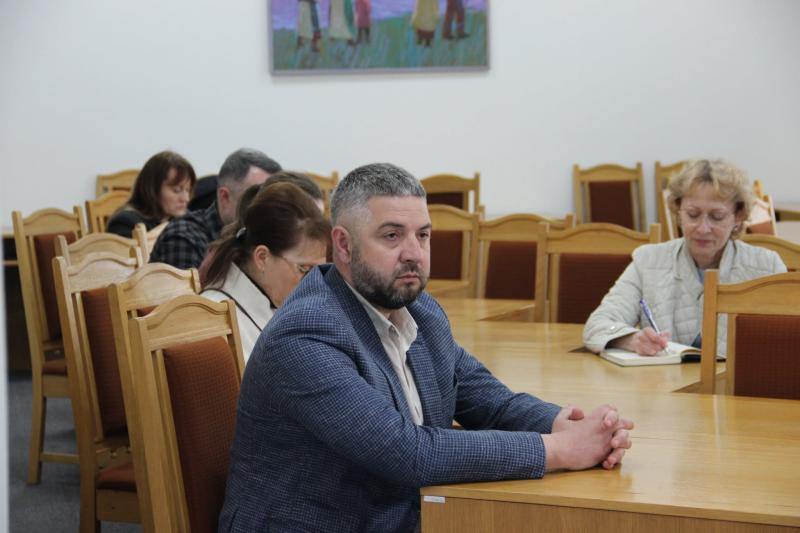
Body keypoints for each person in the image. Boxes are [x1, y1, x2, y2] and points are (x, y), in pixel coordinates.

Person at [219, 163, 633, 532]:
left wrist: (566, 423)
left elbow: (488, 400)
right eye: (392, 236)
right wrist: (560, 449)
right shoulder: (304, 334)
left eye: (423, 235)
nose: (414, 254)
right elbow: (408, 453)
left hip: (409, 516)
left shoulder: (421, 312)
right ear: (343, 245)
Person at [584, 159, 787, 357]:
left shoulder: (767, 267)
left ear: (738, 216)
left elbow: (787, 342)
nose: (703, 228)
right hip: (663, 379)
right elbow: (597, 325)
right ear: (678, 211)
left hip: (740, 380)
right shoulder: (648, 260)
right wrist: (632, 339)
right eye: (692, 214)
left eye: (716, 216)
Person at [201, 181, 329, 360]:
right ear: (262, 258)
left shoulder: (278, 300)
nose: (315, 283)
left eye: (320, 270)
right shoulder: (214, 319)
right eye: (305, 269)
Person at [149, 148, 281, 269]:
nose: (268, 209)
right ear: (225, 197)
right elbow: (188, 290)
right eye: (256, 198)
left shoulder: (261, 238)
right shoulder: (184, 237)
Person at [106, 151, 196, 238]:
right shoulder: (125, 223)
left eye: (188, 190)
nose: (186, 199)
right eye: (177, 190)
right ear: (153, 189)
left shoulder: (186, 219)